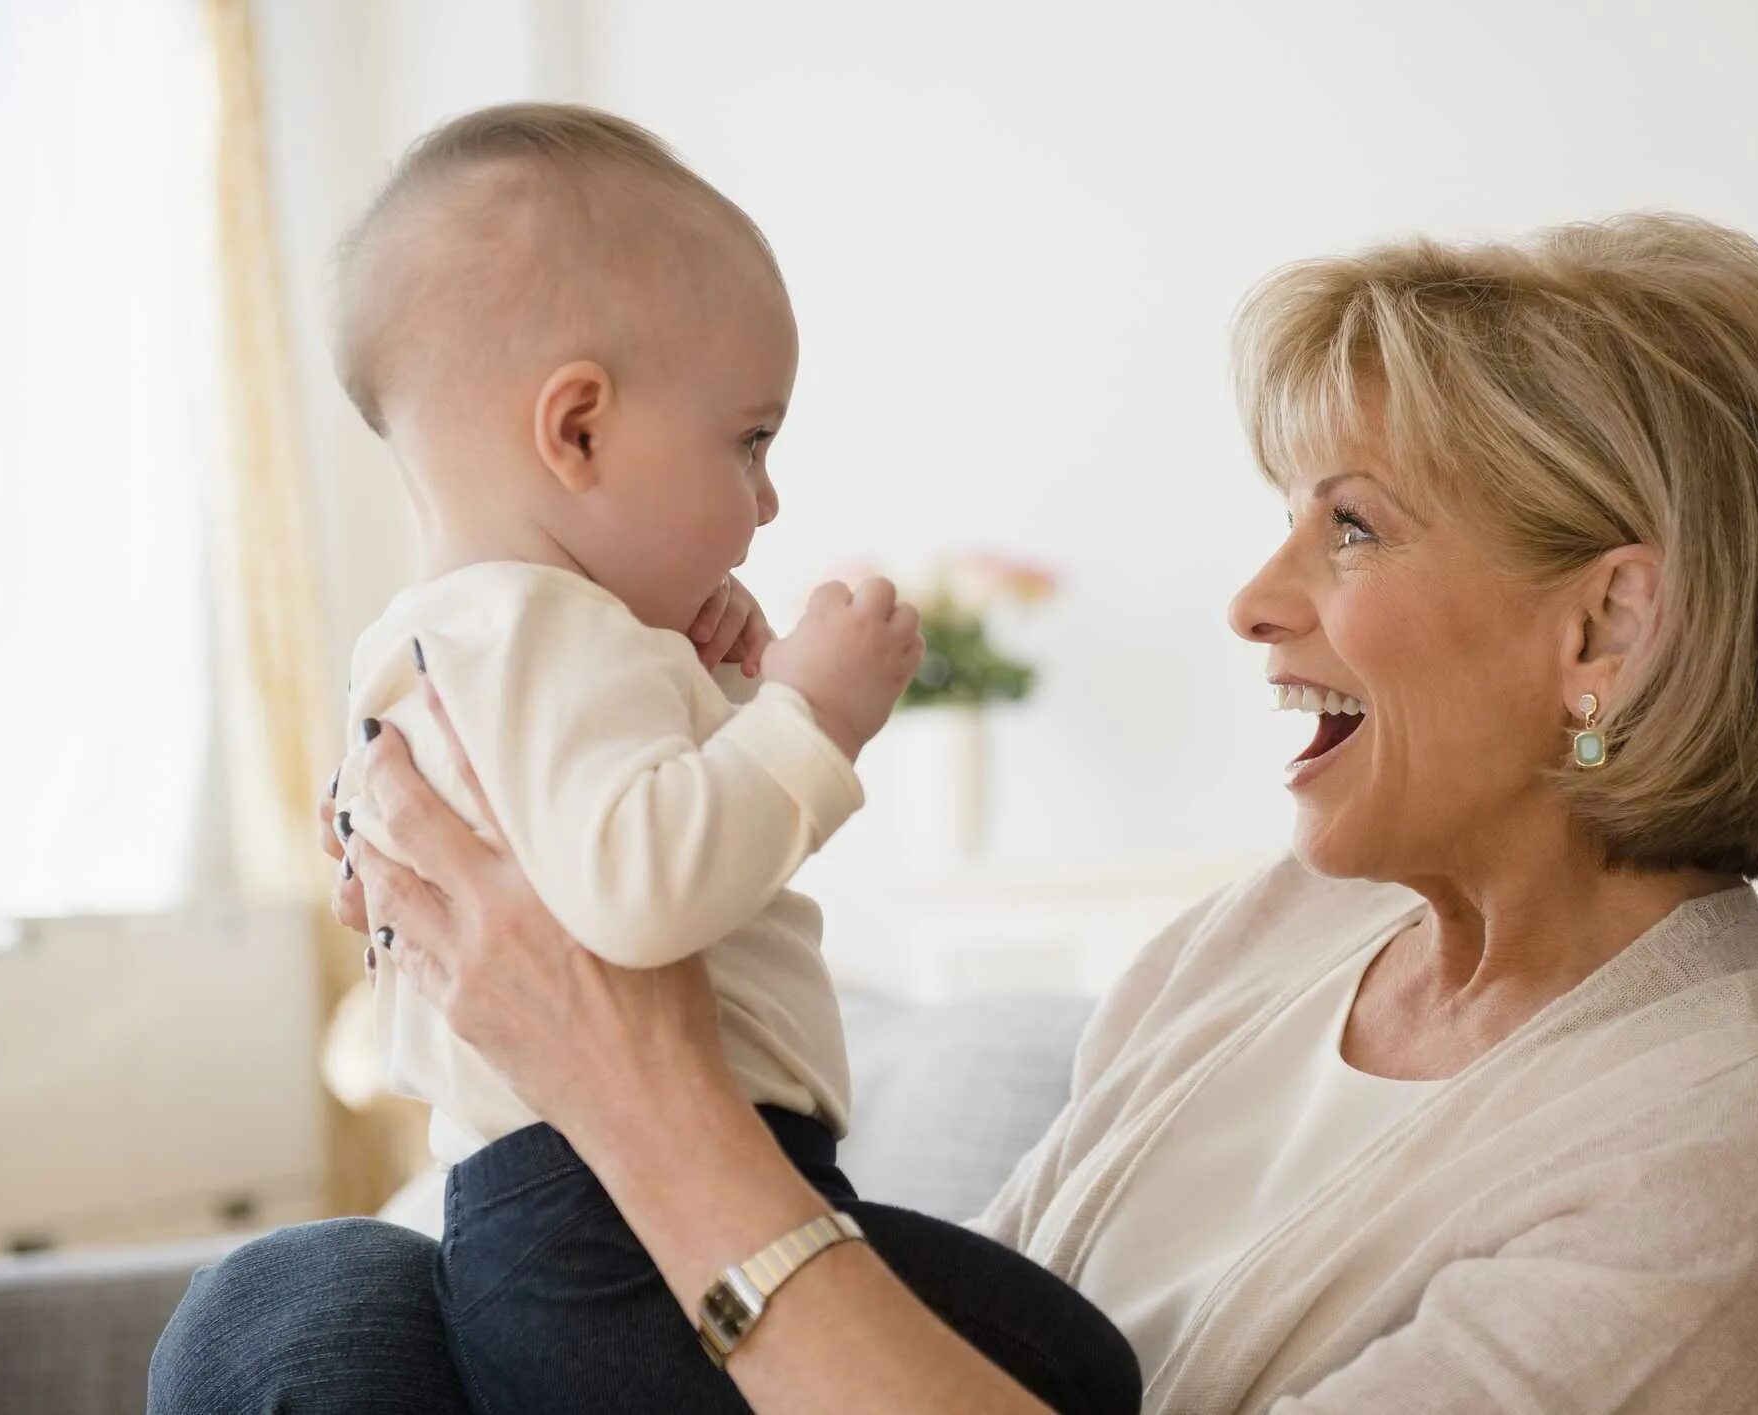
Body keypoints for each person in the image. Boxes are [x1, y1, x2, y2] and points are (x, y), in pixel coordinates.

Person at [153, 210, 1758, 1413]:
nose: (1255, 600)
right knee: (302, 1304)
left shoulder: (1733, 1159)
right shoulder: (1274, 937)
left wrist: (632, 1083)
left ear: (1605, 626)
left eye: (1352, 523)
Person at [151, 102, 1138, 1415]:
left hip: (583, 1207)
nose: (770, 499)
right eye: (749, 439)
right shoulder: (535, 633)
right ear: (578, 432)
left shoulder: (462, 648)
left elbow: (593, 858)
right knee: (1076, 1365)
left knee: (1067, 1355)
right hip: (607, 1219)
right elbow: (641, 891)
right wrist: (810, 717)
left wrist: (718, 687)